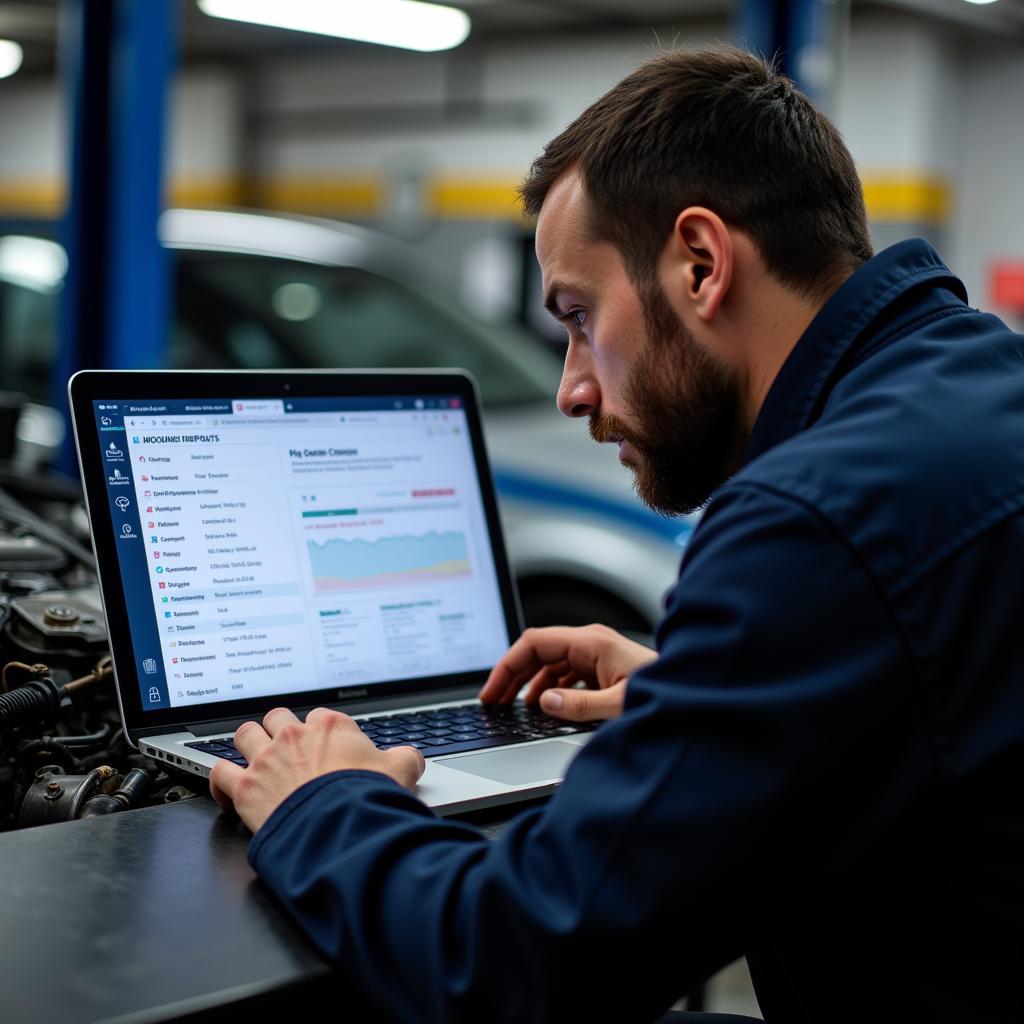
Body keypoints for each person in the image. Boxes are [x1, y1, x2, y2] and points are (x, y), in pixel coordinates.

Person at [209, 46, 1024, 1022]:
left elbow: (511, 962)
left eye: (578, 316)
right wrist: (714, 695)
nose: (571, 389)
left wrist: (320, 802)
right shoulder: (975, 395)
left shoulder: (815, 517)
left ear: (700, 263)